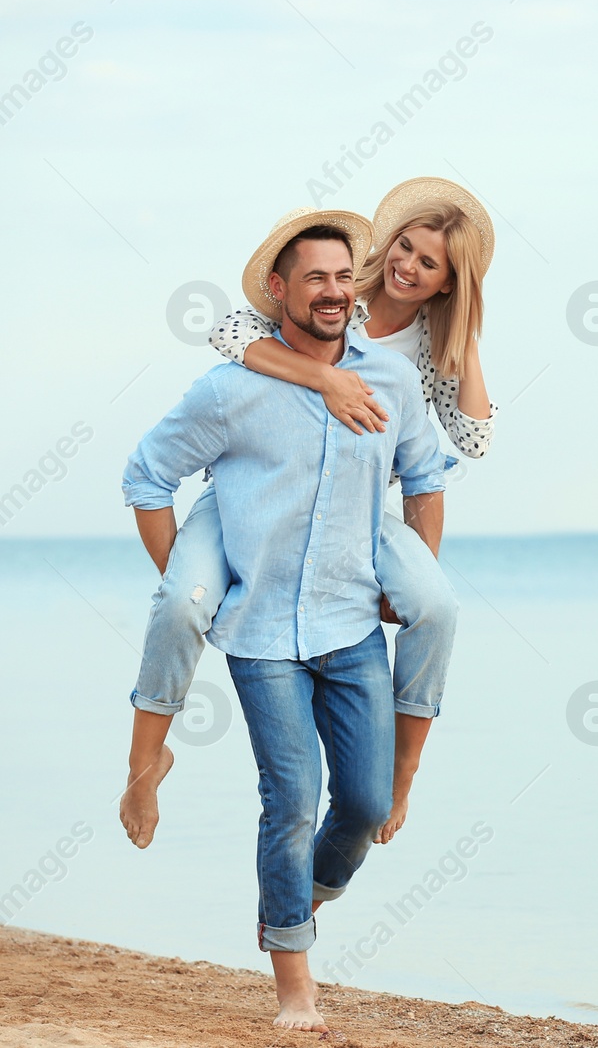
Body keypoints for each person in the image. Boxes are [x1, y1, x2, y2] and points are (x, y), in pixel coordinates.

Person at [121, 210, 451, 1031]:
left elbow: (425, 477)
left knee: (367, 805)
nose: (335, 292)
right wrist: (192, 582)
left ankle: (298, 897)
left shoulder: (393, 382)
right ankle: (295, 982)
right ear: (279, 290)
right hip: (262, 632)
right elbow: (147, 474)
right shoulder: (233, 388)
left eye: (345, 277)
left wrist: (407, 575)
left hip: (350, 626)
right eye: (316, 278)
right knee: (292, 799)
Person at [117, 178, 495, 851]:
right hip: (255, 487)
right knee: (182, 600)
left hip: (357, 505)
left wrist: (464, 336)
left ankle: (402, 770)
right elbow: (228, 331)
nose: (407, 265)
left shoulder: (434, 350)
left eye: (429, 264)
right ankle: (145, 762)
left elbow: (469, 444)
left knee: (437, 607)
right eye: (404, 246)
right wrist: (324, 375)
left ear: (447, 282)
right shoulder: (333, 292)